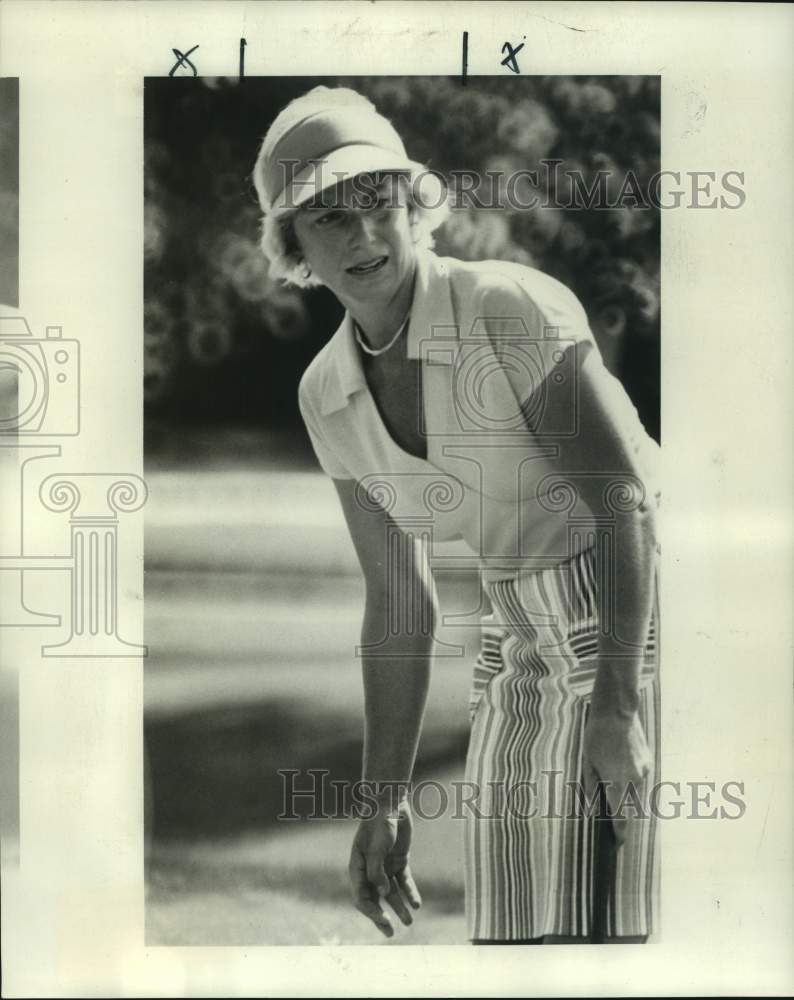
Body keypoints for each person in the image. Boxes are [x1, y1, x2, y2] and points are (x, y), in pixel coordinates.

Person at [252, 85, 661, 944]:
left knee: (614, 940)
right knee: (512, 934)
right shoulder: (325, 395)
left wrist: (617, 707)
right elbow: (400, 604)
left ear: (413, 205)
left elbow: (623, 500)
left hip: (639, 624)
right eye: (328, 219)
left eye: (378, 202)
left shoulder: (504, 306)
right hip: (514, 646)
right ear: (292, 246)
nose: (364, 235)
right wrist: (384, 798)